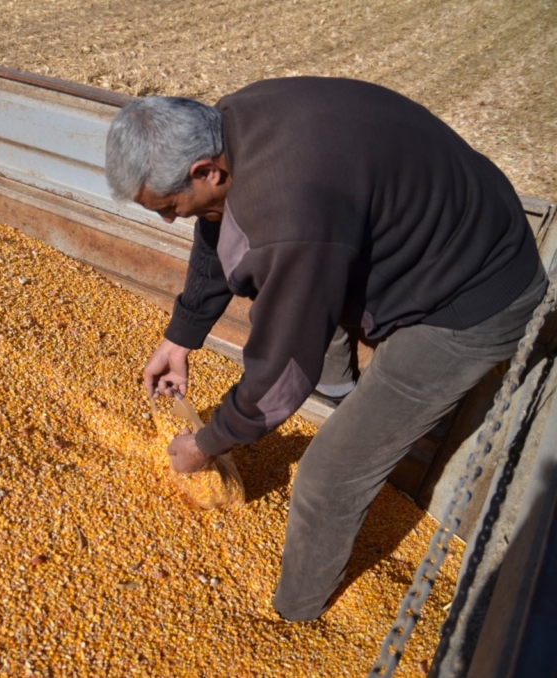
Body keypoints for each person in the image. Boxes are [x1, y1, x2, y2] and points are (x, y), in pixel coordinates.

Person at [104, 77, 548, 621]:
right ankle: (346, 399)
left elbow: (281, 373)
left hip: (471, 299)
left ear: (206, 171)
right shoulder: (232, 122)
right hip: (447, 228)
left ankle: (291, 619)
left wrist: (208, 443)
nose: (171, 219)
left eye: (170, 206)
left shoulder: (288, 212)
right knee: (310, 316)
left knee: (327, 476)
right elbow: (219, 227)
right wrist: (182, 334)